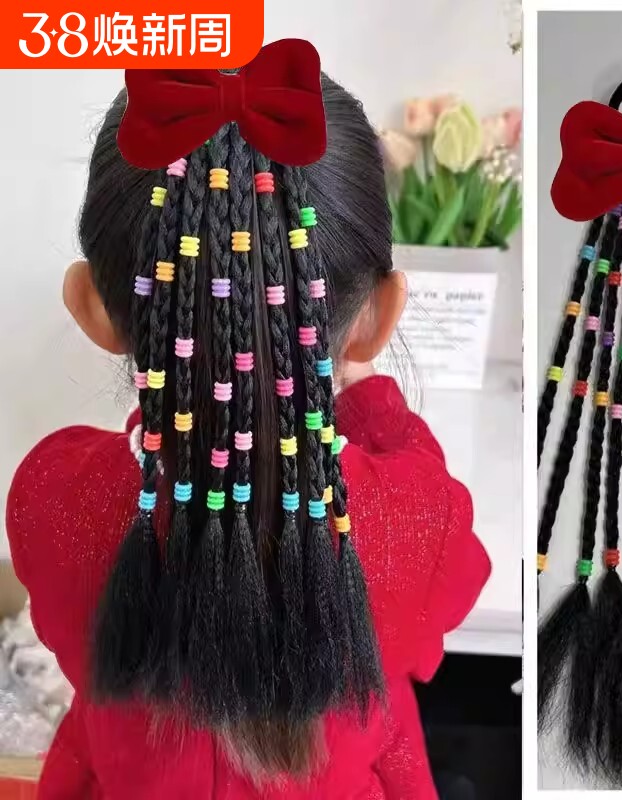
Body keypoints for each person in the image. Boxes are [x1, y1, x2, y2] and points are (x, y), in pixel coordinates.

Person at [5, 55, 490, 799]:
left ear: (91, 307)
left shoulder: (56, 496)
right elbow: (435, 627)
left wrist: (185, 408)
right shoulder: (416, 518)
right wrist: (365, 400)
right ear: (379, 317)